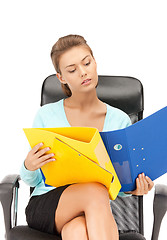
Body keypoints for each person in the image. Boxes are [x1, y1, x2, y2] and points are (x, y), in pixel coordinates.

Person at [20, 34, 154, 240]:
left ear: (95, 63)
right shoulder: (46, 115)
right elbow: (34, 179)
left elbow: (119, 185)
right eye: (72, 70)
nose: (83, 72)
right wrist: (29, 165)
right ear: (62, 78)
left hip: (93, 212)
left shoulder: (119, 120)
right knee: (95, 191)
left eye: (87, 63)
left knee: (77, 231)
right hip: (49, 204)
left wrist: (133, 188)